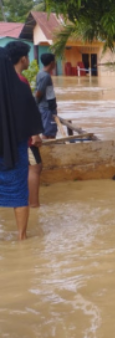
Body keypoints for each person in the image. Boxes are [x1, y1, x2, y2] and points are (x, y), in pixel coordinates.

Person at [0, 46, 43, 240]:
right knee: (18, 192)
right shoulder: (21, 86)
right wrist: (34, 134)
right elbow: (30, 116)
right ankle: (21, 236)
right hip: (15, 148)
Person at [6, 41, 44, 209]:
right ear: (22, 59)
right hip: (23, 135)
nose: (28, 60)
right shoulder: (20, 81)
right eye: (27, 57)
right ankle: (33, 204)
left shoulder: (6, 80)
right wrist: (34, 134)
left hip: (10, 135)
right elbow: (26, 110)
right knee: (35, 167)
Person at [35, 53, 59, 139]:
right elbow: (38, 92)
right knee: (49, 133)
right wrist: (35, 105)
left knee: (49, 131)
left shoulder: (41, 74)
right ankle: (46, 151)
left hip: (46, 108)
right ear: (52, 63)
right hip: (47, 109)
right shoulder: (46, 76)